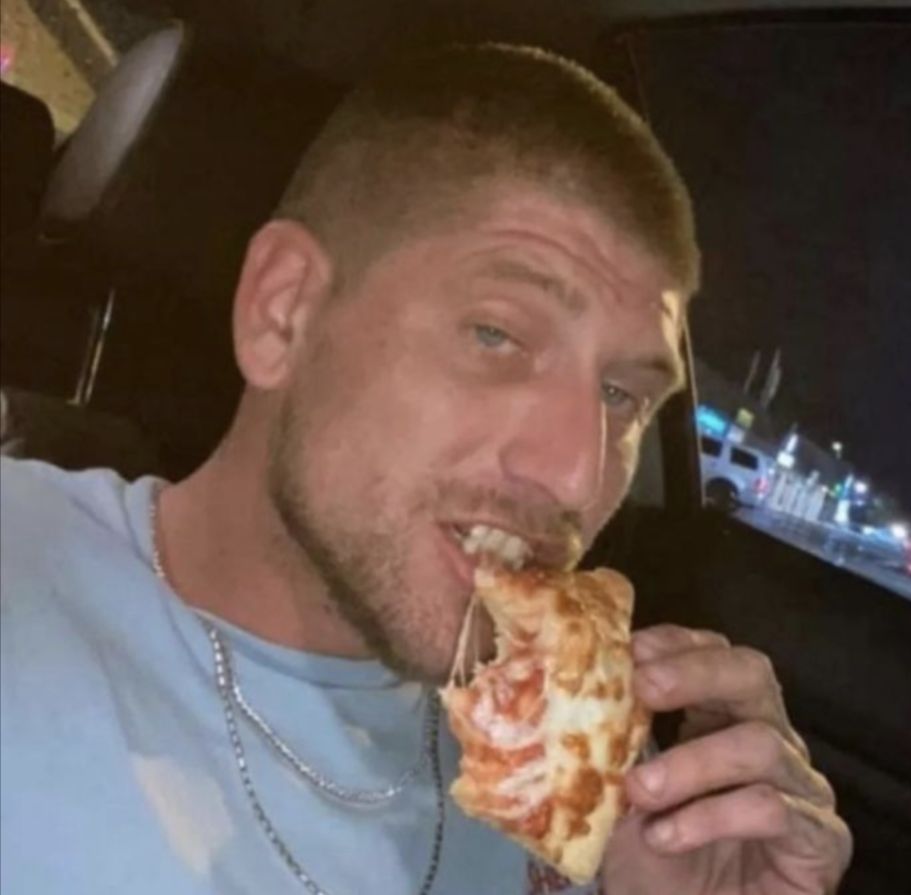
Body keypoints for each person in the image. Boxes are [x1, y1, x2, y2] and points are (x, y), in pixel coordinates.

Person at [0, 44, 852, 895]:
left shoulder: (591, 787)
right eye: (497, 335)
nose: (575, 477)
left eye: (622, 395)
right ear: (283, 311)